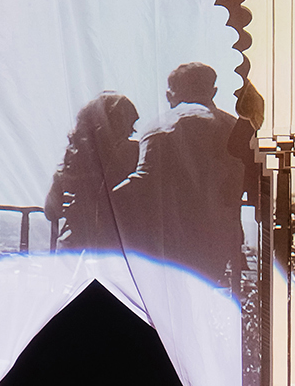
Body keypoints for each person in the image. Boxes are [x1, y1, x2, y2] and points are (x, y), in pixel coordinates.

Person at [111, 62, 251, 285]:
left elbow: (143, 180)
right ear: (213, 91)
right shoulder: (234, 128)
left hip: (167, 240)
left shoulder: (160, 126)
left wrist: (101, 202)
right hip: (218, 238)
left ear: (169, 94)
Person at [43, 92, 140, 251]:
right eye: (130, 124)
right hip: (114, 251)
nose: (132, 131)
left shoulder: (71, 161)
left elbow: (51, 212)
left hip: (72, 249)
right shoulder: (133, 152)